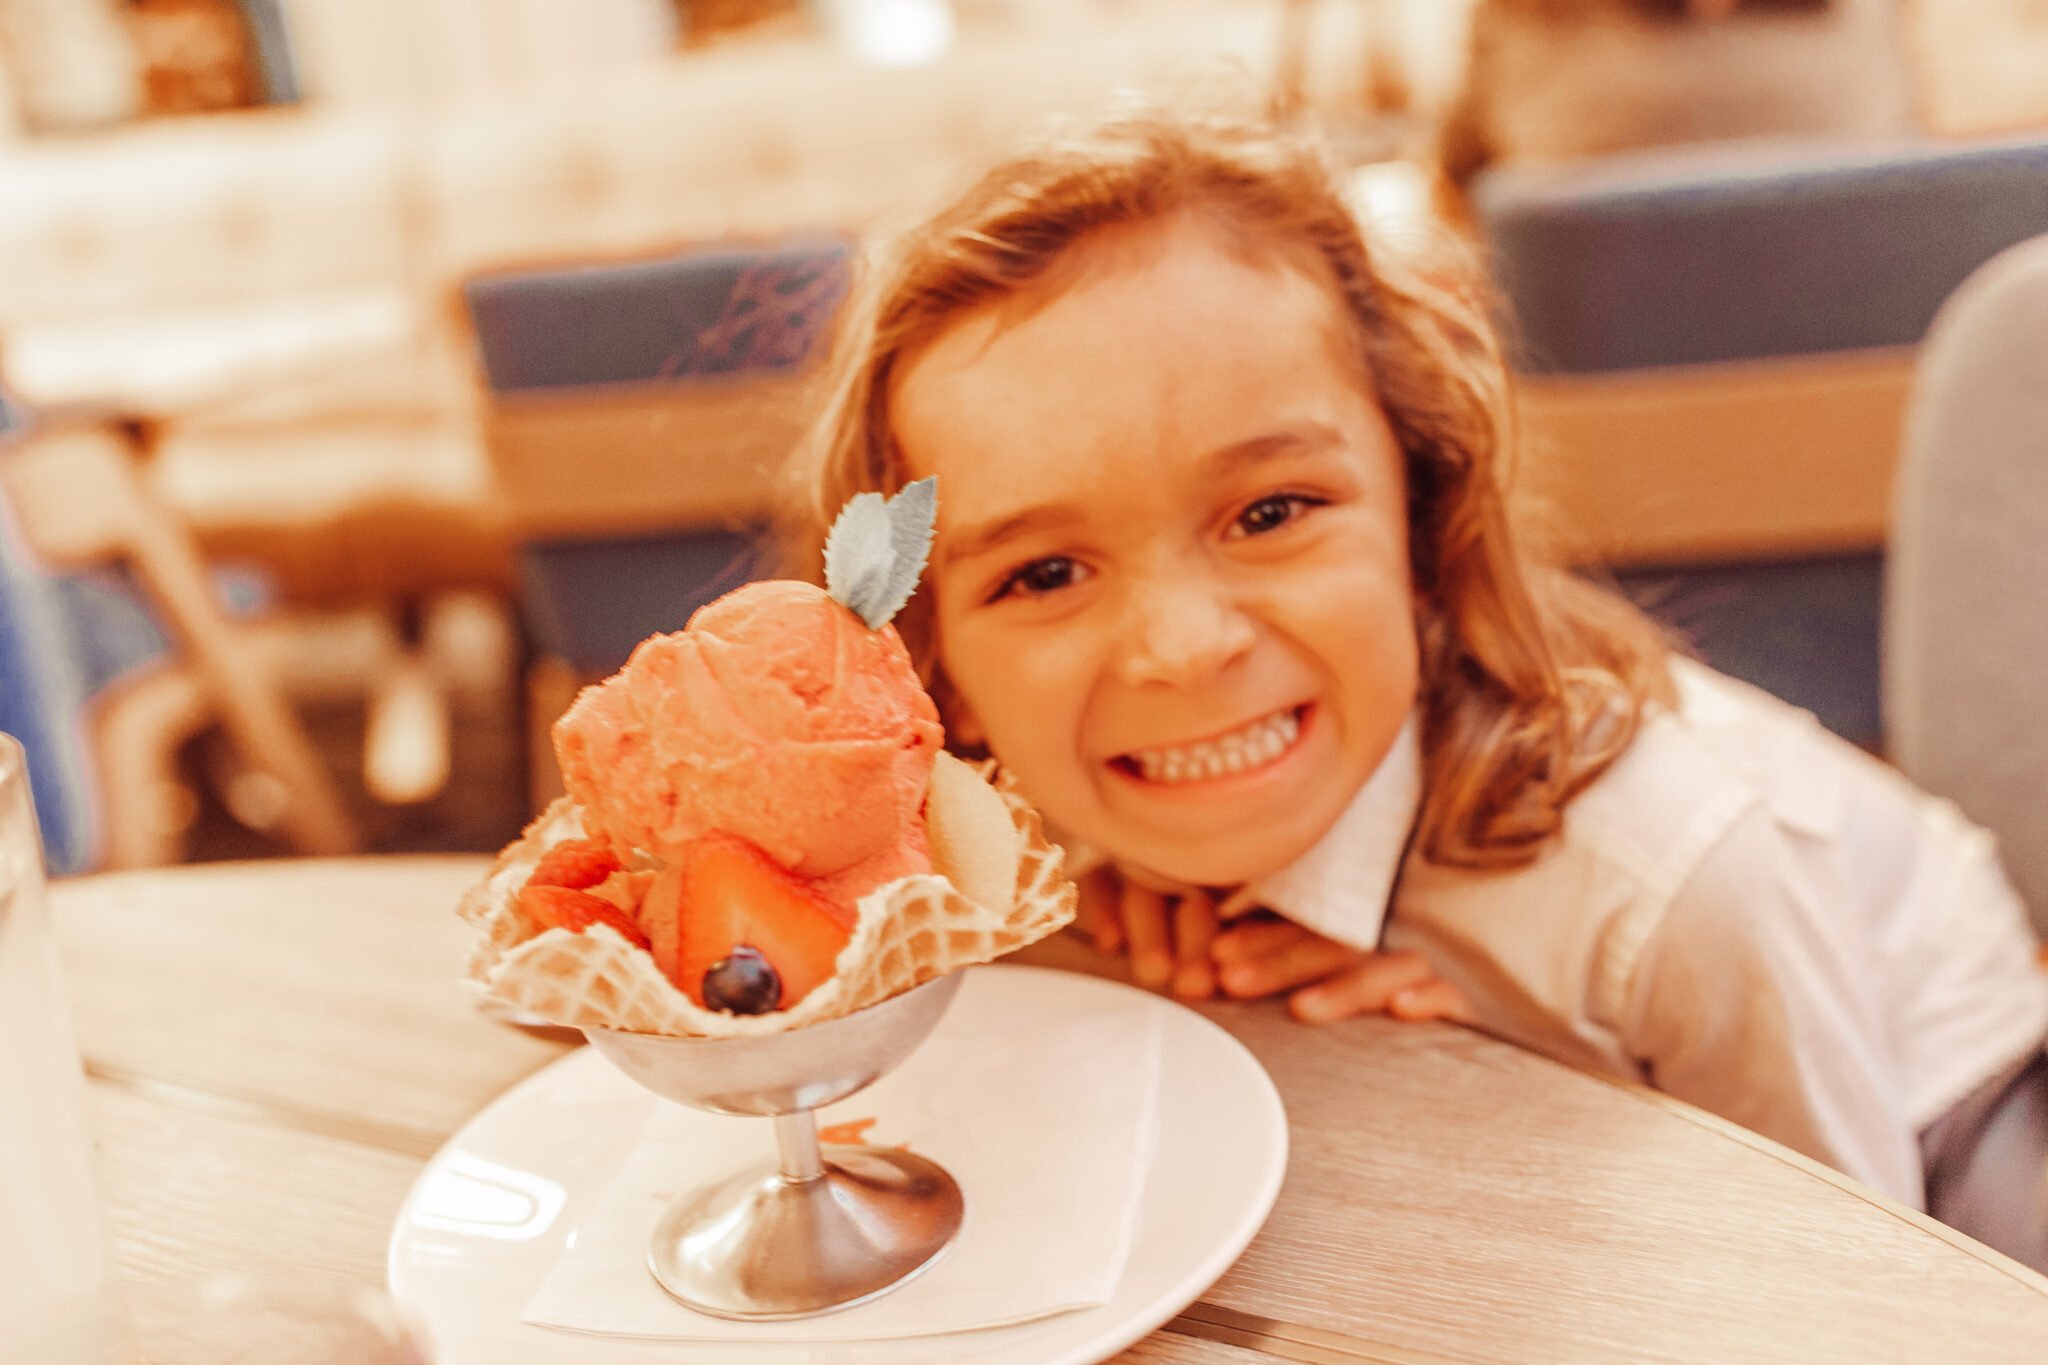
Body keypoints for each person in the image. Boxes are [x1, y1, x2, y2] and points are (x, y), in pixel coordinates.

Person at [779, 100, 2048, 1271]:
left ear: (1421, 513)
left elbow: (1849, 1277)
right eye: (1046, 572)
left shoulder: (1671, 885)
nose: (1181, 648)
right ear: (932, 667)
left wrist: (1548, 1111)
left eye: (1269, 511)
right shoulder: (1020, 845)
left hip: (1937, 1087)